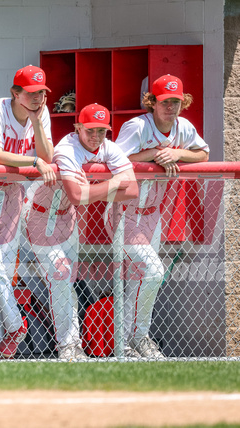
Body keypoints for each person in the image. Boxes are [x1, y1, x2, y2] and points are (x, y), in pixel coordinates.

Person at [24, 103, 138, 360]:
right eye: (90, 130)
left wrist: (104, 188)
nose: (96, 136)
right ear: (78, 128)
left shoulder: (108, 147)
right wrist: (113, 183)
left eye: (102, 130)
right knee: (60, 274)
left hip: (67, 220)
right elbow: (77, 195)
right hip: (40, 215)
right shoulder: (67, 147)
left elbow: (133, 190)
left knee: (66, 280)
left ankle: (73, 343)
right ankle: (67, 345)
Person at [113, 74, 209, 358]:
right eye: (165, 101)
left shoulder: (183, 127)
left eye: (176, 101)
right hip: (125, 212)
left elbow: (203, 154)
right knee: (153, 271)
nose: (171, 107)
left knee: (140, 279)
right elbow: (114, 158)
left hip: (153, 214)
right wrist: (154, 153)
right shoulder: (137, 126)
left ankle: (134, 341)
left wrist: (177, 153)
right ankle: (132, 340)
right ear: (152, 102)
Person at [0, 65, 57, 359]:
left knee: (5, 272)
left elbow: (49, 156)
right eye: (31, 94)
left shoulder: (40, 113)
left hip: (15, 192)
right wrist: (32, 162)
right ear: (15, 93)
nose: (38, 99)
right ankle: (14, 323)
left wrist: (36, 122)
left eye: (41, 93)